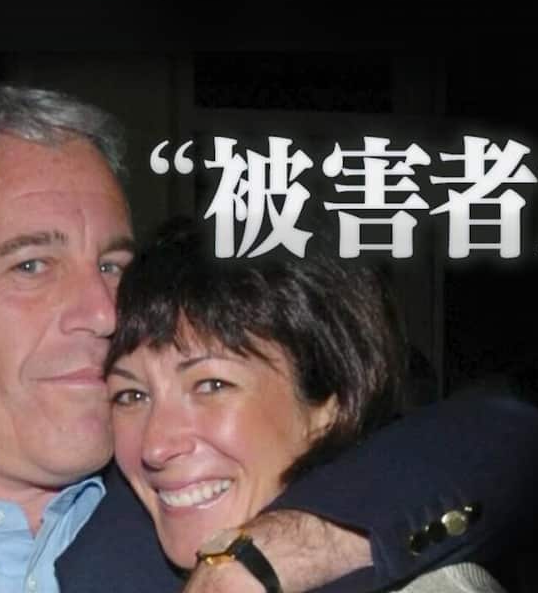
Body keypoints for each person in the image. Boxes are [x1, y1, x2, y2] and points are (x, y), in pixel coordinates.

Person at [0, 83, 538, 592]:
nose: (105, 310)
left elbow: (512, 441)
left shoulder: (188, 499)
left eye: (112, 264)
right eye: (32, 265)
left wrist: (299, 543)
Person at [104, 216, 506, 592]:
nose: (155, 446)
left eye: (211, 385)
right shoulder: (110, 544)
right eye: (131, 395)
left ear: (330, 403)